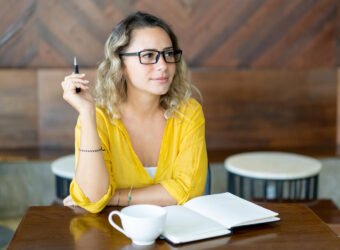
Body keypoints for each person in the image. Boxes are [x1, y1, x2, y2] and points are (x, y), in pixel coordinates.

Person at [61, 11, 207, 213]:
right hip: (112, 231)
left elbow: (189, 189)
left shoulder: (188, 112)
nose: (163, 65)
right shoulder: (97, 117)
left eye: (168, 54)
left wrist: (115, 196)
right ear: (120, 64)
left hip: (177, 235)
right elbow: (93, 197)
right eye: (148, 55)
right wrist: (86, 113)